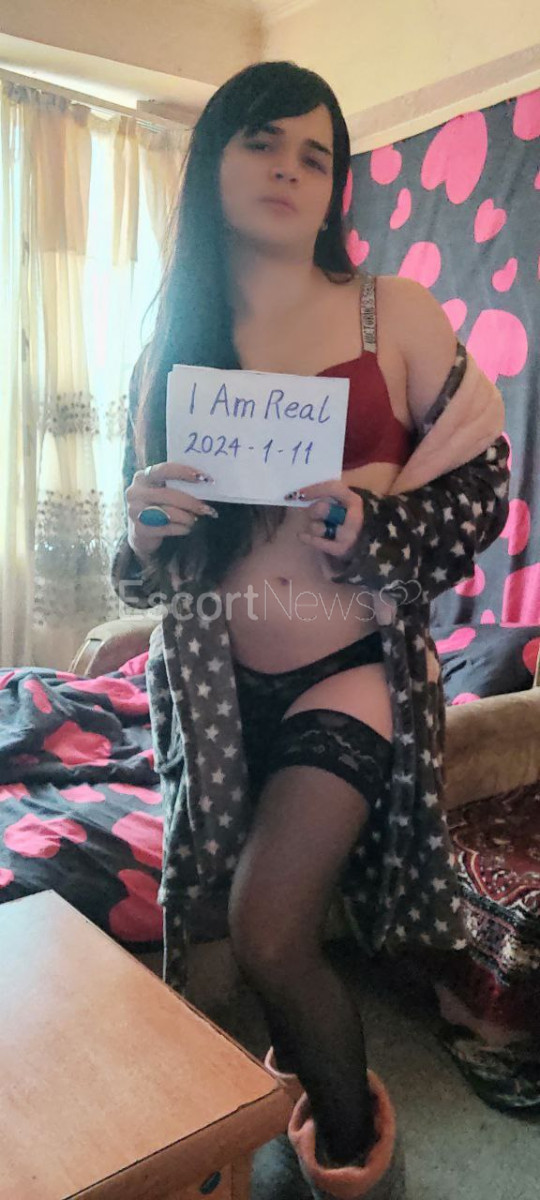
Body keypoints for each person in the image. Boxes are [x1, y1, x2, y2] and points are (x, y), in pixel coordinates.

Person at [111, 61, 509, 1200]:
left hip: (351, 668)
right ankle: (285, 1090)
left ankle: (353, 1153)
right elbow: (139, 562)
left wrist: (378, 526)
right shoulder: (173, 344)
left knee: (271, 926)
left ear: (336, 186)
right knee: (222, 947)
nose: (289, 168)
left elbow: (482, 482)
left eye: (316, 154)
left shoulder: (393, 311)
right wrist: (140, 532)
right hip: (215, 681)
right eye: (261, 141)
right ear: (212, 162)